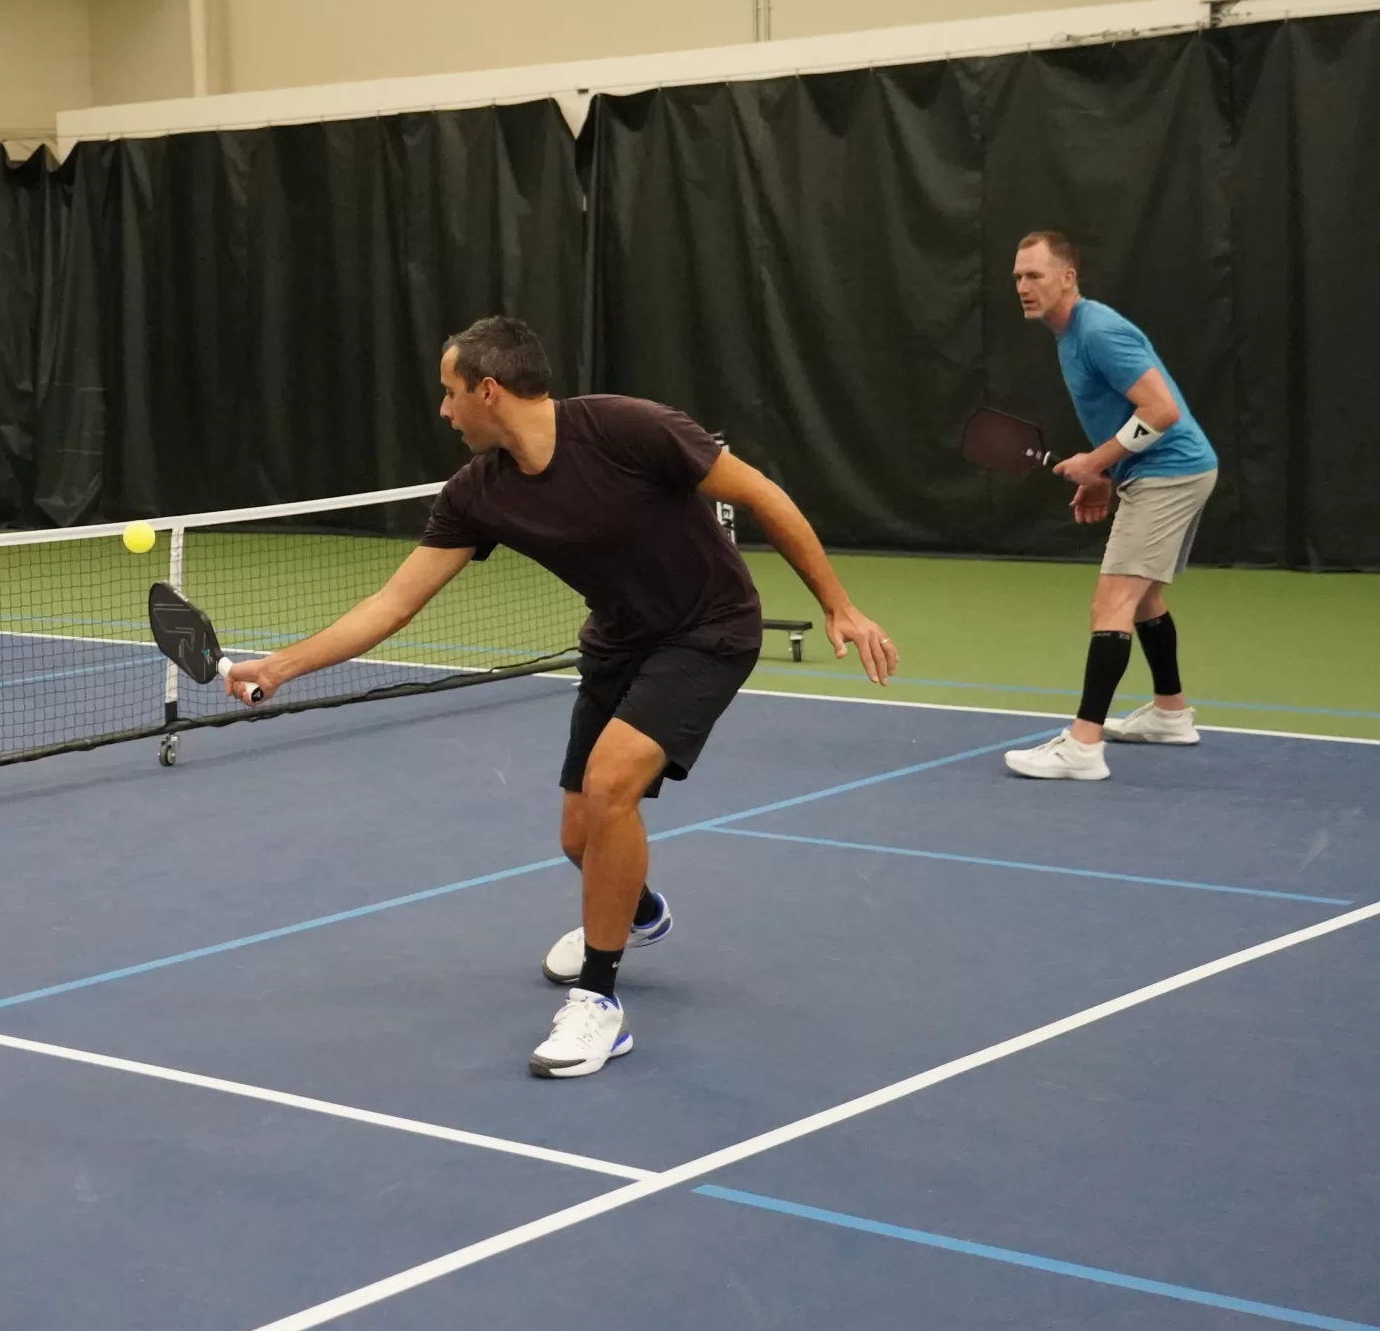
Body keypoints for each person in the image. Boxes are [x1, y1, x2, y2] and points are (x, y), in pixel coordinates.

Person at [221, 317, 895, 1079]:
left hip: (709, 628)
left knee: (611, 788)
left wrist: (838, 603)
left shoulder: (627, 429)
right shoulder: (477, 493)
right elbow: (393, 604)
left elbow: (764, 495)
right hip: (616, 642)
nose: (444, 412)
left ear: (488, 388)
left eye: (450, 394)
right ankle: (634, 912)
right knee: (580, 840)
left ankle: (599, 1004)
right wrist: (280, 666)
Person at [1003, 230, 1218, 780]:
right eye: (1019, 278)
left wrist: (1096, 462)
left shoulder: (1097, 330)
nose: (1024, 287)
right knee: (1142, 599)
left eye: (1036, 275)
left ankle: (1082, 747)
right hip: (1160, 470)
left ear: (1068, 276)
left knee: (1111, 604)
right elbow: (1132, 414)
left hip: (1169, 472)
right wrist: (1105, 471)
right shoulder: (1067, 335)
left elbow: (1162, 411)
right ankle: (1171, 714)